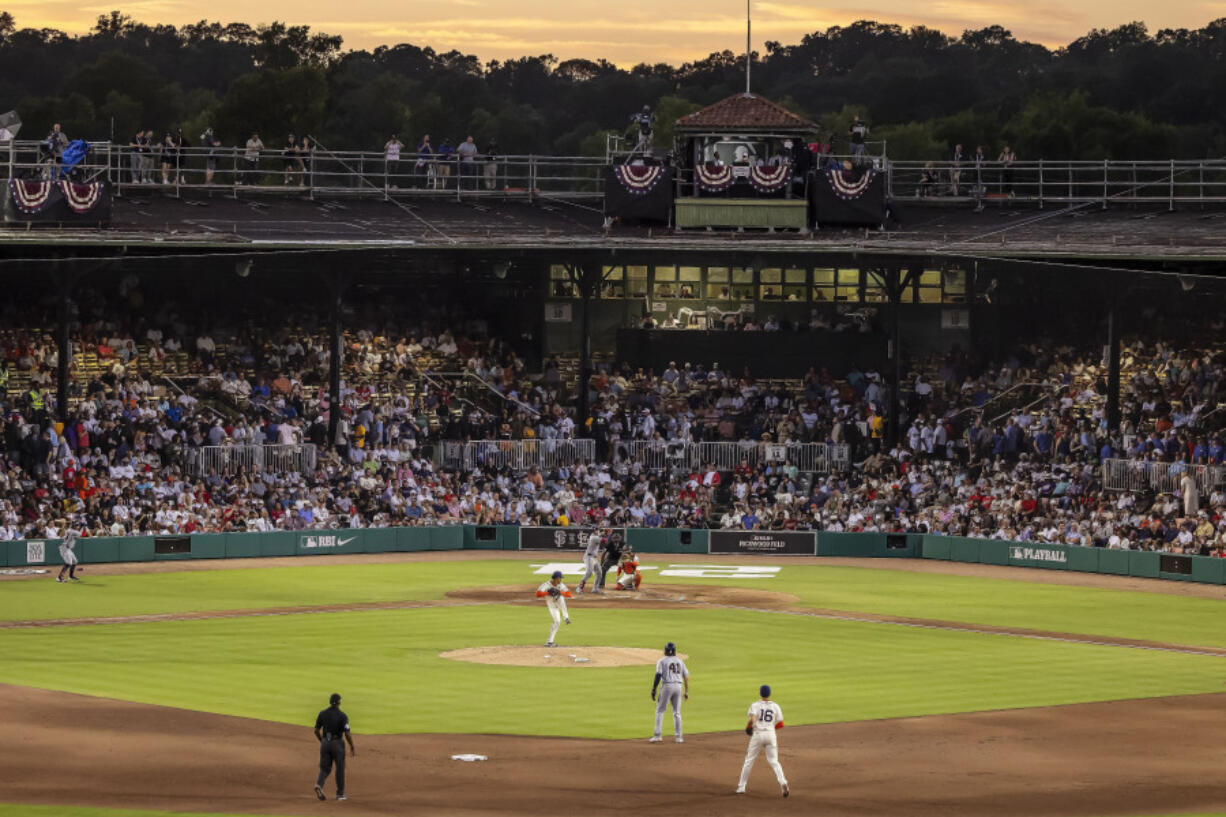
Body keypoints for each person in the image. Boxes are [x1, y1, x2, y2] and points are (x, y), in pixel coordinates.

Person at [736, 684, 788, 797]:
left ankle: (741, 787)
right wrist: (771, 729)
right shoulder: (775, 706)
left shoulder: (755, 705)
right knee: (774, 761)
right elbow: (781, 723)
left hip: (758, 735)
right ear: (769, 694)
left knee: (749, 761)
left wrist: (751, 725)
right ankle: (783, 782)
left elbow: (752, 719)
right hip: (770, 734)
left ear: (760, 693)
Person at [313, 692, 355, 802]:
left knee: (325, 768)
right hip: (337, 744)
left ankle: (319, 784)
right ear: (339, 703)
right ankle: (340, 794)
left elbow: (316, 731)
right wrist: (352, 745)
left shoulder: (322, 713)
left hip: (325, 743)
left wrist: (322, 740)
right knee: (340, 769)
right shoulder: (343, 716)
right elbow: (347, 734)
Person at [649, 641, 689, 743]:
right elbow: (686, 676)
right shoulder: (680, 661)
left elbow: (658, 675)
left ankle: (657, 735)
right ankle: (679, 737)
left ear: (665, 650)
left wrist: (654, 689)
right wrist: (686, 691)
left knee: (660, 710)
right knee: (677, 712)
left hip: (667, 686)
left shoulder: (662, 661)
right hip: (678, 686)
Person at [535, 569, 572, 647]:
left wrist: (560, 592)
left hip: (558, 601)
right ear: (555, 578)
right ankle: (549, 642)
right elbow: (538, 594)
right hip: (552, 605)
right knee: (557, 622)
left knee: (561, 598)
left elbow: (569, 594)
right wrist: (548, 592)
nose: (561, 580)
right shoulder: (546, 585)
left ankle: (566, 618)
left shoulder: (561, 585)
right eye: (560, 578)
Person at [578, 527, 603, 593]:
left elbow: (601, 537)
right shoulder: (593, 538)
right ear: (593, 531)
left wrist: (604, 533)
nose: (598, 531)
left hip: (594, 558)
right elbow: (602, 540)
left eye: (598, 530)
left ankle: (595, 589)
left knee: (599, 573)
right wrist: (605, 533)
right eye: (596, 530)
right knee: (589, 573)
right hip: (589, 557)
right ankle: (579, 588)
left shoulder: (597, 536)